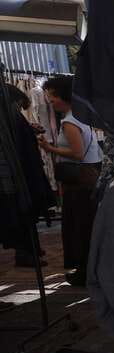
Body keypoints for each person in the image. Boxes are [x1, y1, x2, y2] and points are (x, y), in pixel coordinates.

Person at [38, 76, 103, 286]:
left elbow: (77, 153)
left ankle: (84, 271)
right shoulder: (79, 116)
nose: (50, 100)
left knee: (80, 227)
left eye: (53, 96)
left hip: (79, 181)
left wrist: (49, 149)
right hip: (88, 178)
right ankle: (90, 269)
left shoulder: (68, 121)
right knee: (86, 225)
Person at [4, 84, 53, 268]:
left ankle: (30, 249)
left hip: (23, 173)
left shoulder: (12, 117)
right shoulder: (12, 116)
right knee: (26, 214)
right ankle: (27, 251)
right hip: (23, 174)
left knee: (27, 214)